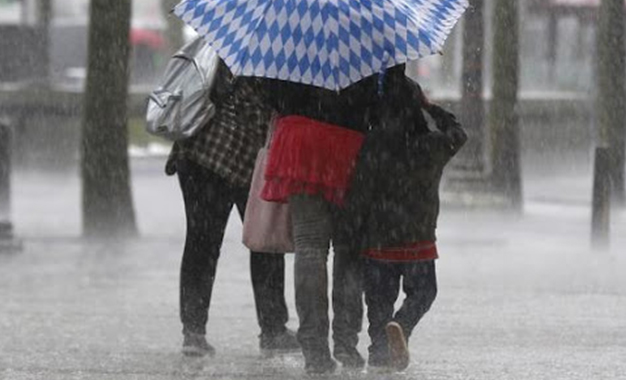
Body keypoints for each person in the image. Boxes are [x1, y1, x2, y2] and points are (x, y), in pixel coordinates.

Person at [165, 61, 299, 356]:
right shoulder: (275, 59)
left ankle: (194, 332)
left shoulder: (229, 42)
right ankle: (272, 329)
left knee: (202, 243)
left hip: (199, 151)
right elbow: (272, 110)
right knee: (264, 242)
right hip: (234, 157)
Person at [250, 77, 380, 374]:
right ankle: (346, 342)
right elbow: (382, 99)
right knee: (349, 251)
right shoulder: (371, 36)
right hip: (350, 143)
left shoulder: (291, 34)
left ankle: (315, 350)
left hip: (300, 140)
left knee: (309, 247)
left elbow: (272, 93)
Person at [347, 65, 467, 371]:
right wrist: (431, 108)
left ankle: (378, 353)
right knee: (424, 292)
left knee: (378, 302)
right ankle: (402, 324)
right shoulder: (433, 146)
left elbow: (359, 193)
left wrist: (354, 231)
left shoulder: (372, 145)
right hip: (418, 236)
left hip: (378, 238)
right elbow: (458, 134)